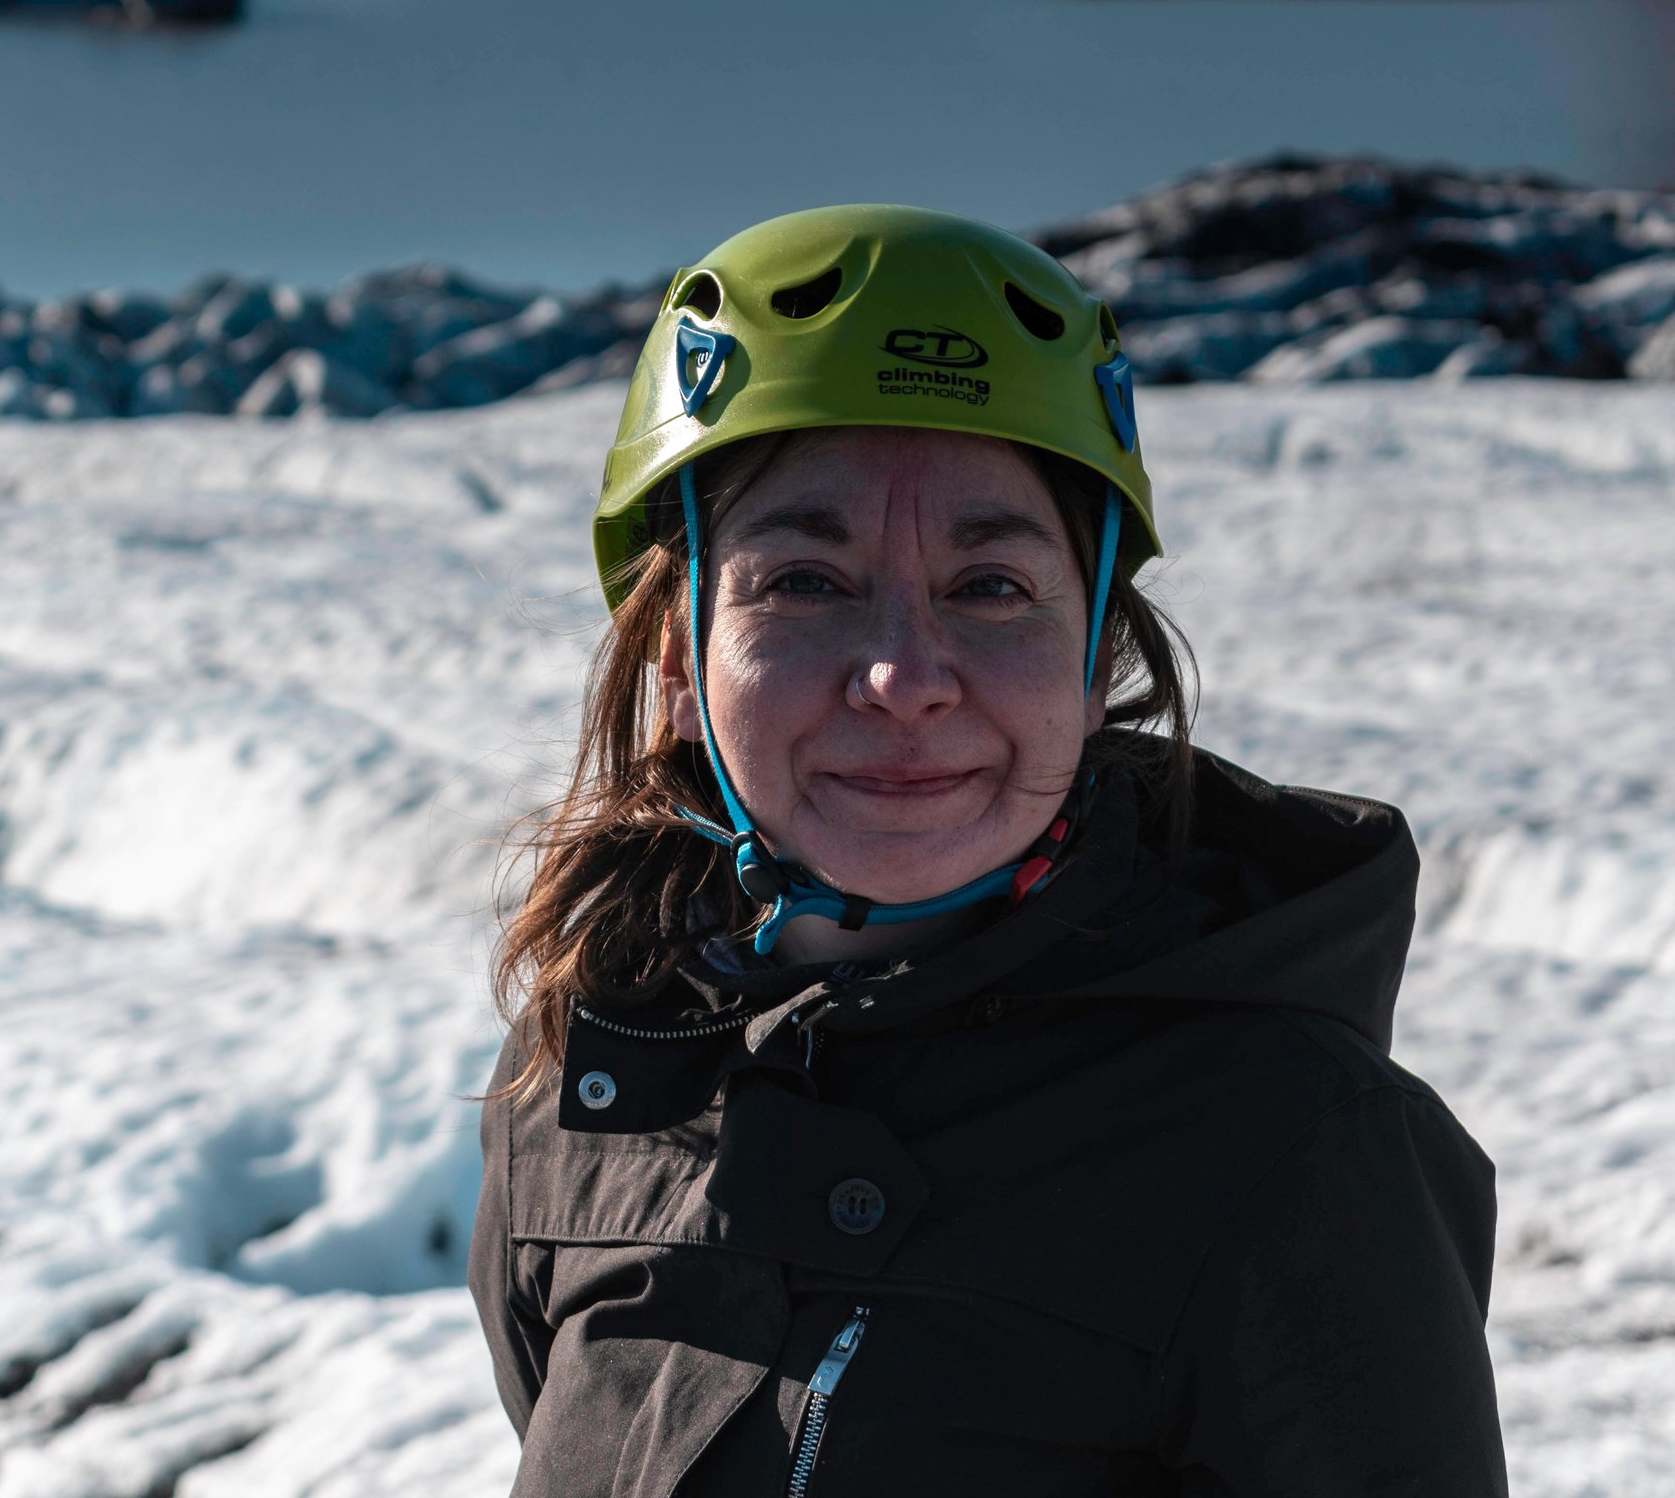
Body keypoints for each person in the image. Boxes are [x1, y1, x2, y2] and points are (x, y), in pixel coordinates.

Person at [471, 204, 1507, 1497]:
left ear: (1092, 667)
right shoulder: (590, 1064)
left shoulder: (1299, 1147)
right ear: (678, 659)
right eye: (804, 582)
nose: (904, 677)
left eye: (992, 588)